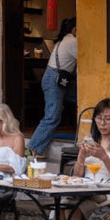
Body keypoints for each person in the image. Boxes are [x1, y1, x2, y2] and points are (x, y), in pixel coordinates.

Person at [29, 17, 77, 157]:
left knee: (77, 100)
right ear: (74, 29)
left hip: (55, 78)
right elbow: (84, 59)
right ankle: (32, 149)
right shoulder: (72, 41)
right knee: (52, 116)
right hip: (56, 79)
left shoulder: (62, 40)